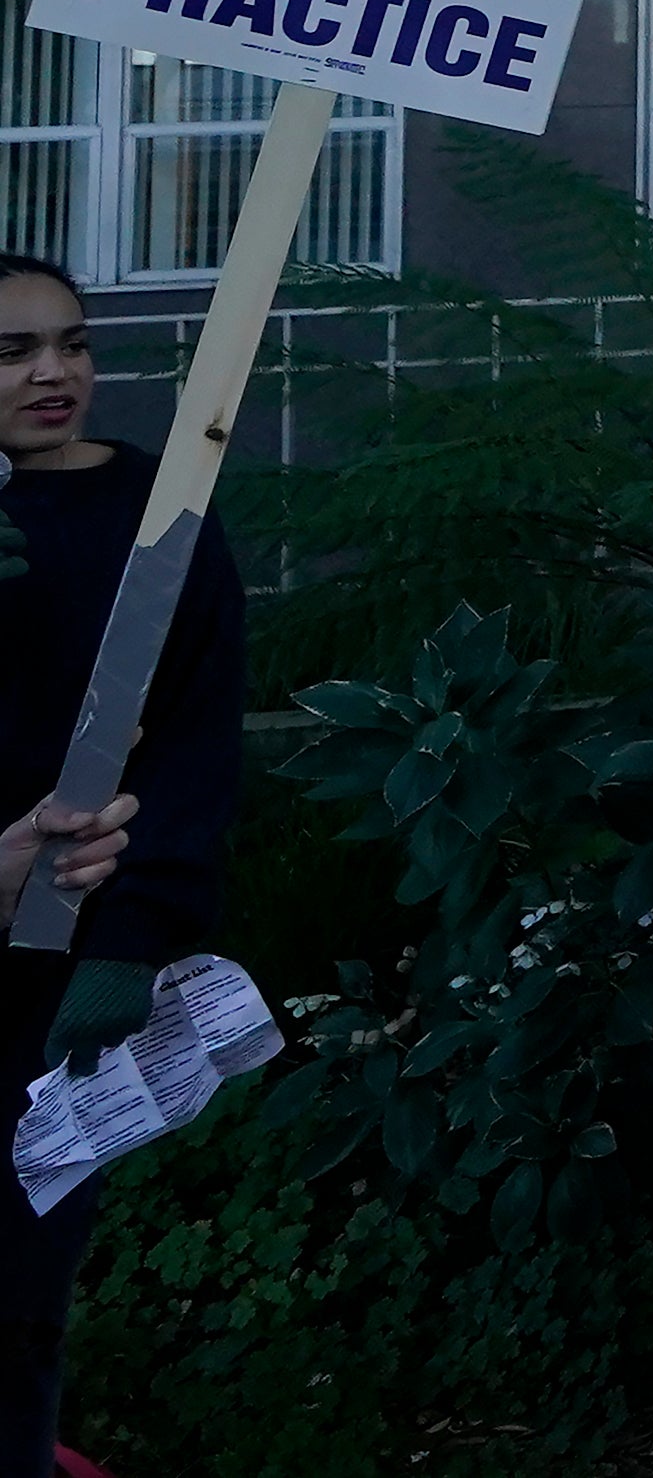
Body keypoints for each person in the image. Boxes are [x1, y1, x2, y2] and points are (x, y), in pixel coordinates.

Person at [0, 254, 242, 1478]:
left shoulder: (163, 516)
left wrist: (134, 937)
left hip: (56, 967)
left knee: (20, 1280)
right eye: (14, 352)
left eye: (74, 343)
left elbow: (198, 738)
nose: (56, 373)